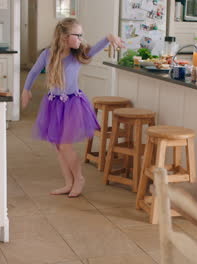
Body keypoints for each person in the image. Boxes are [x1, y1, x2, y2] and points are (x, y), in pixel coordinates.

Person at [21, 17, 125, 198]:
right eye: (76, 35)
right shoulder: (48, 54)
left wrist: (109, 37)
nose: (80, 39)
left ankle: (79, 179)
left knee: (65, 145)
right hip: (53, 104)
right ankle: (68, 183)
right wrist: (26, 90)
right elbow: (34, 71)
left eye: (81, 35)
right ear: (63, 37)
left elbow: (94, 49)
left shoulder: (79, 54)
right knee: (58, 147)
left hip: (72, 104)